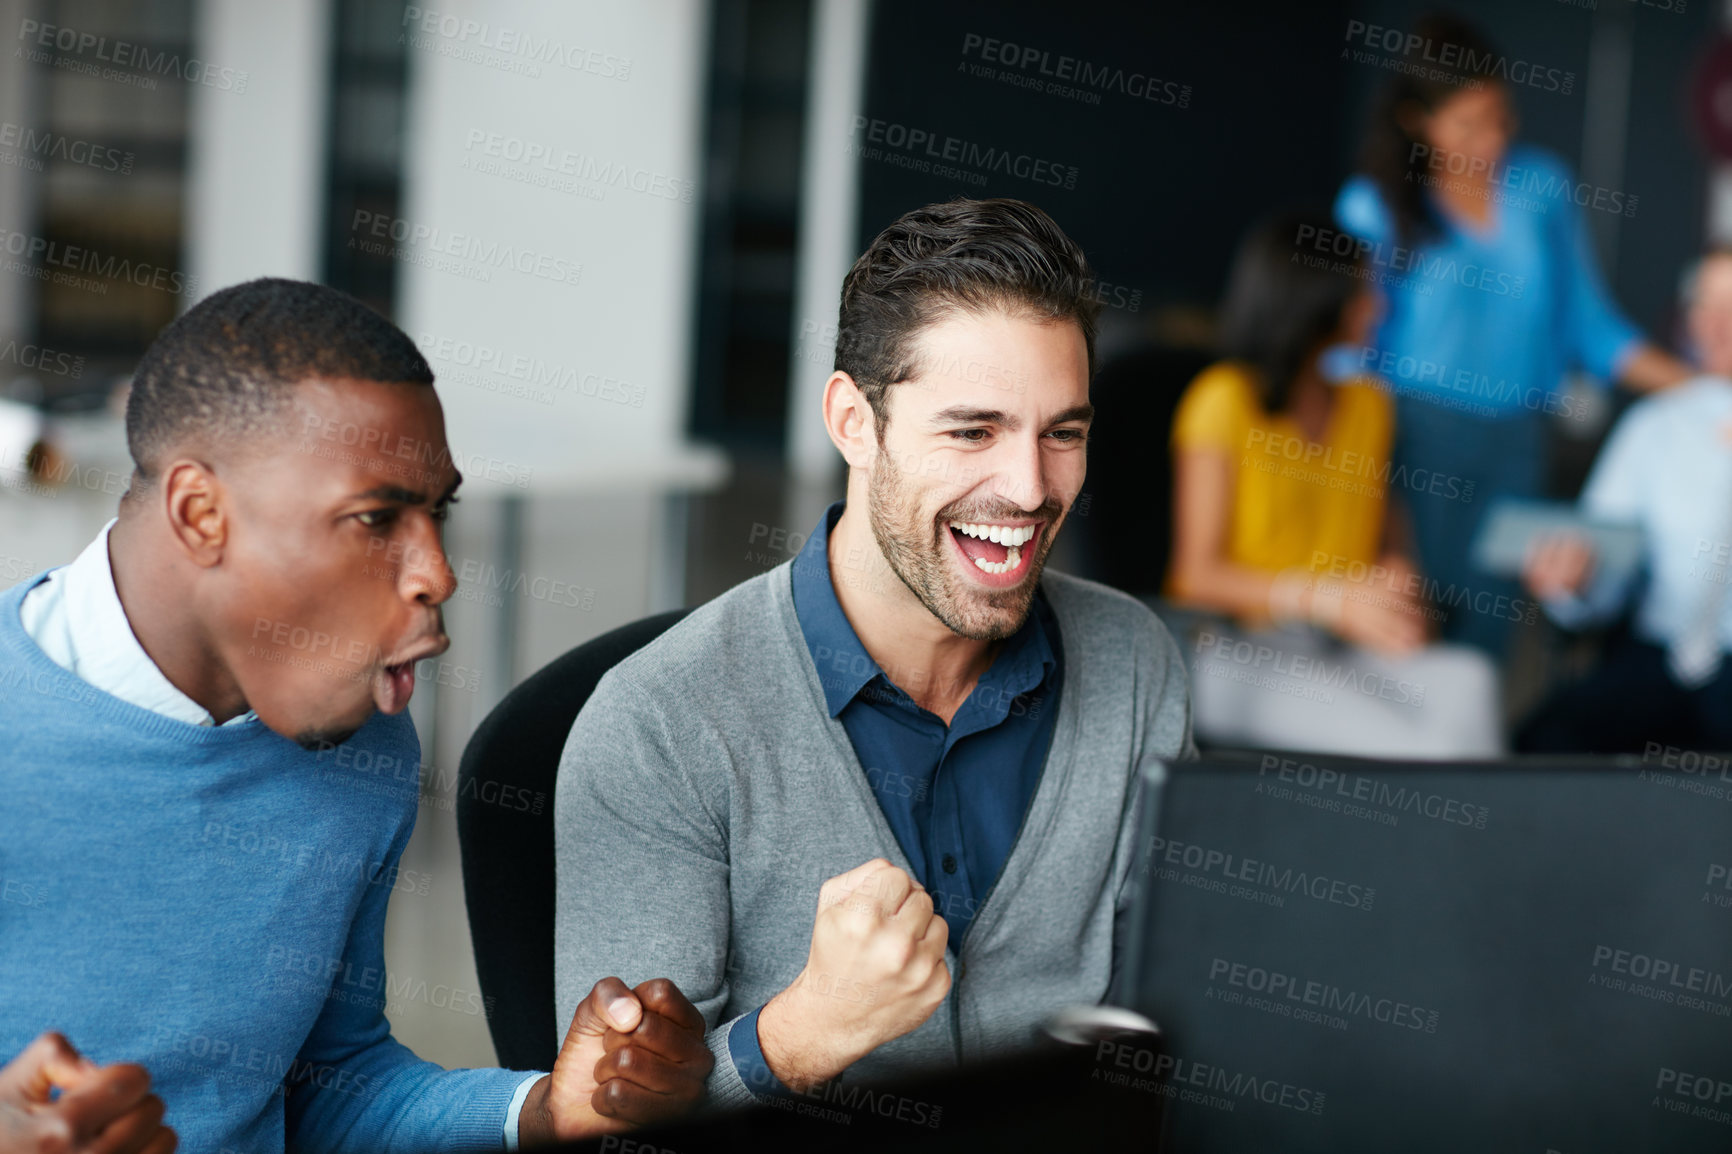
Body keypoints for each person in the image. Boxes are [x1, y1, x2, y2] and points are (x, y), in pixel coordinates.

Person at [0, 279, 712, 1154]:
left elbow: (328, 1085)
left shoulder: (361, 743)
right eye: (376, 517)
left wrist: (547, 1110)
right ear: (200, 513)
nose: (439, 575)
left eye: (436, 511)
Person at [552, 198, 1194, 1107]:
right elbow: (604, 1126)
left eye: (1064, 433)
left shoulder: (1135, 664)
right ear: (855, 421)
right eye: (973, 430)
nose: (1028, 487)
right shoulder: (659, 724)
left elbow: (1185, 1029)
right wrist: (803, 1035)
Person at [1333, 13, 1689, 658]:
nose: (1489, 140)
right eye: (1467, 124)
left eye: (1499, 118)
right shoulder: (1374, 204)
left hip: (1519, 438)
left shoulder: (1541, 187)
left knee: (1491, 637)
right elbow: (1348, 346)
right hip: (1413, 439)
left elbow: (1592, 327)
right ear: (1419, 121)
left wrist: (1703, 387)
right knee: (1415, 630)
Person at [1166, 211, 1502, 757]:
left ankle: (1498, 840)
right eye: (1365, 292)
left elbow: (1387, 532)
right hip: (1237, 648)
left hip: (1343, 640)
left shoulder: (1368, 404)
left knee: (1472, 682)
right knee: (1428, 745)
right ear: (1314, 301)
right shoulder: (1222, 401)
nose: (1380, 305)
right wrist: (1323, 599)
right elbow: (1195, 575)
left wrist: (1397, 577)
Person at [1518, 247, 1732, 752]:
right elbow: (1603, 560)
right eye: (1707, 306)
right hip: (1659, 651)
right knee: (1545, 744)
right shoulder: (1655, 426)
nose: (1720, 324)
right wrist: (1575, 582)